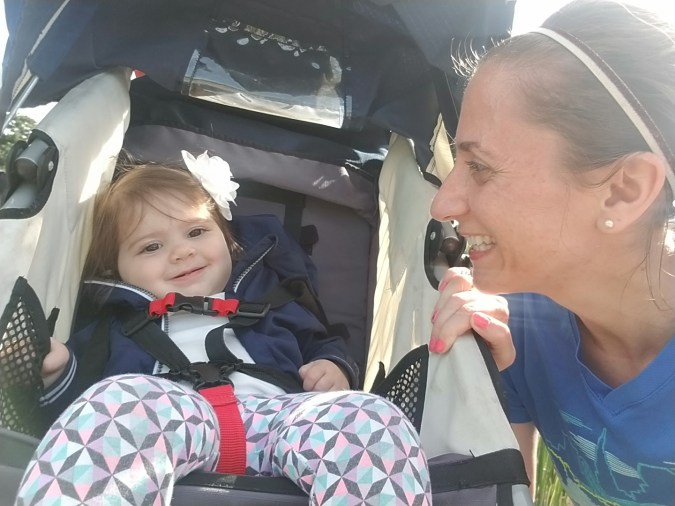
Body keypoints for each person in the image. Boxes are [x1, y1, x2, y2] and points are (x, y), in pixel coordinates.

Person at [15, 151, 431, 505]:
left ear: (228, 239)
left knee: (371, 418)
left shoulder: (272, 302)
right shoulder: (114, 327)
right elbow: (78, 416)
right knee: (116, 402)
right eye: (151, 246)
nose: (182, 251)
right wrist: (59, 369)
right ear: (116, 269)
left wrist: (333, 366)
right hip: (170, 421)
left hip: (283, 421)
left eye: (196, 231)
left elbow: (321, 341)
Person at [428, 0, 675, 504]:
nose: (442, 204)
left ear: (624, 191)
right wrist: (481, 383)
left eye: (480, 168)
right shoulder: (520, 327)